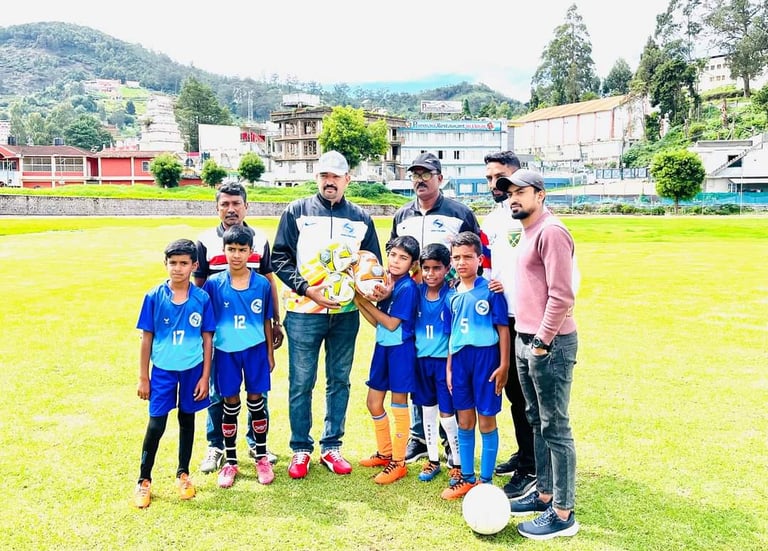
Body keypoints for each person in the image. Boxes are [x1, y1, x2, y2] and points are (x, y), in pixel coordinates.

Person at [272, 150, 383, 479]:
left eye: (335, 176)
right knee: (301, 382)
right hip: (304, 312)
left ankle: (332, 446)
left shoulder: (361, 218)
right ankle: (300, 448)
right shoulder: (297, 211)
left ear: (348, 179)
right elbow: (280, 258)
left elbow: (372, 262)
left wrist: (373, 286)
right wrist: (307, 289)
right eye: (324, 176)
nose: (329, 182)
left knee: (339, 381)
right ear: (316, 177)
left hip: (346, 314)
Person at [496, 169, 580, 540]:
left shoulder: (552, 232)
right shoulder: (529, 231)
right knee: (536, 419)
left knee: (555, 426)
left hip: (550, 343)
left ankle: (563, 513)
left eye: (521, 192)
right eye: (509, 193)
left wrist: (542, 342)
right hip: (526, 337)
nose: (513, 198)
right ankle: (544, 493)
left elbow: (562, 295)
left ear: (540, 195)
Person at [390, 152, 481, 464]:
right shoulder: (402, 215)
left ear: (440, 178)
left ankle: (449, 440)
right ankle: (419, 438)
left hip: (448, 302)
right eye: (415, 174)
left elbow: (476, 252)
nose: (420, 180)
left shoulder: (459, 212)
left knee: (446, 367)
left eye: (426, 174)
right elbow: (394, 254)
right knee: (418, 365)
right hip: (412, 303)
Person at [194, 182, 283, 473]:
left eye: (236, 204)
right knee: (219, 392)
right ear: (217, 207)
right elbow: (199, 288)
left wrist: (276, 321)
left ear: (246, 206)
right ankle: (216, 446)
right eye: (225, 204)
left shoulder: (260, 239)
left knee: (258, 392)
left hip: (253, 335)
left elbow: (268, 280)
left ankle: (257, 445)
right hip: (221, 337)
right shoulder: (205, 241)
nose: (231, 209)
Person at [133, 239, 215, 508]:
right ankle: (144, 480)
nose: (178, 268)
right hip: (162, 372)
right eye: (173, 263)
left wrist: (205, 377)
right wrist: (143, 377)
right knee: (156, 424)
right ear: (165, 264)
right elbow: (146, 338)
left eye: (183, 263)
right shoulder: (153, 297)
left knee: (187, 420)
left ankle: (183, 474)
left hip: (192, 371)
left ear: (194, 265)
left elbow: (207, 340)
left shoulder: (201, 298)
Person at [202, 225, 276, 487]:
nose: (236, 255)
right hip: (225, 353)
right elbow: (207, 324)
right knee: (229, 404)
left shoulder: (262, 284)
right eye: (231, 249)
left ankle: (262, 457)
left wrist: (269, 353)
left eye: (241, 250)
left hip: (255, 351)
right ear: (223, 250)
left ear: (250, 251)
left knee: (257, 402)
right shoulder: (214, 284)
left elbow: (266, 320)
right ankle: (231, 462)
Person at [482, 151, 537, 499]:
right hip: (503, 319)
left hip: (530, 321)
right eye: (489, 178)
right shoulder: (491, 221)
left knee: (529, 398)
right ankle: (524, 454)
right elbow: (488, 268)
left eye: (499, 177)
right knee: (513, 394)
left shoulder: (532, 216)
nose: (494, 184)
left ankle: (531, 468)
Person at [439, 231, 509, 500]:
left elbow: (503, 329)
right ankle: (467, 478)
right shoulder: (450, 295)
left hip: (486, 360)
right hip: (459, 362)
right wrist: (449, 368)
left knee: (486, 419)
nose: (461, 262)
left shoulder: (491, 290)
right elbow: (451, 335)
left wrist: (504, 365)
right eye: (456, 257)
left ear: (480, 259)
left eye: (468, 257)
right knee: (465, 420)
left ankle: (486, 480)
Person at [355, 235, 420, 484]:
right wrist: (357, 299)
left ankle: (399, 462)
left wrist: (366, 302)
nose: (395, 261)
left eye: (403, 258)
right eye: (393, 255)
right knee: (373, 403)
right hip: (382, 348)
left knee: (398, 404)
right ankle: (385, 453)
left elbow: (392, 324)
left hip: (401, 351)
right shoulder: (386, 283)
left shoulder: (407, 288)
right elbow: (377, 323)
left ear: (412, 264)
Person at [410, 243, 461, 485]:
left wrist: (450, 367)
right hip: (421, 363)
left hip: (443, 364)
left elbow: (454, 336)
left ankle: (458, 463)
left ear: (447, 268)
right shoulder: (416, 293)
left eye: (437, 268)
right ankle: (432, 459)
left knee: (447, 414)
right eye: (426, 268)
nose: (431, 273)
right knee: (427, 411)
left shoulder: (451, 297)